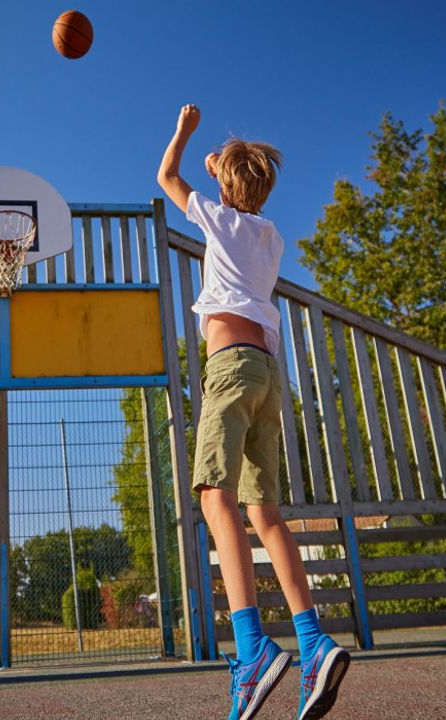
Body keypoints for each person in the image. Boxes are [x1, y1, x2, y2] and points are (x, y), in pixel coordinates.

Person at [157, 104, 350, 720]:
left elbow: (166, 177)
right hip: (271, 373)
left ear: (223, 185)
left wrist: (188, 135)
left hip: (232, 367)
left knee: (214, 497)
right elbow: (235, 188)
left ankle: (250, 649)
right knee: (265, 512)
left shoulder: (216, 217)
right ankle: (313, 641)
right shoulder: (270, 236)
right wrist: (227, 167)